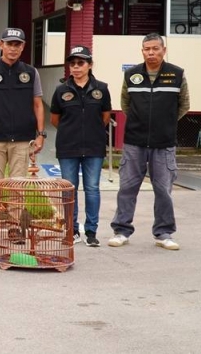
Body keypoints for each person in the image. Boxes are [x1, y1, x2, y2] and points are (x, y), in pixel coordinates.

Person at [109, 33, 189, 250]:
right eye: (147, 49)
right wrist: (141, 122)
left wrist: (165, 123)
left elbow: (184, 105)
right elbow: (125, 104)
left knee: (163, 190)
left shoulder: (177, 74)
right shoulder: (131, 74)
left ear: (164, 50)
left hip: (164, 143)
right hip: (134, 142)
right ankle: (121, 231)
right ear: (142, 51)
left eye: (155, 48)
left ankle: (164, 233)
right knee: (127, 188)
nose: (151, 53)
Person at [0, 28, 46, 244]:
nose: (13, 48)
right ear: (1, 45)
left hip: (23, 140)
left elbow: (38, 104)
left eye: (17, 44)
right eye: (9, 44)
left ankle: (15, 227)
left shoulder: (31, 73)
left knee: (17, 187)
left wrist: (40, 135)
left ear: (23, 47)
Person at [50, 46, 111, 248]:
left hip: (94, 147)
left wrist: (91, 131)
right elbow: (55, 119)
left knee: (92, 188)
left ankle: (91, 232)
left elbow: (105, 117)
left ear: (90, 65)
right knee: (69, 189)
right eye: (72, 63)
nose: (76, 67)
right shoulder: (61, 90)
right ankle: (72, 230)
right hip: (68, 147)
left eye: (81, 63)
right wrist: (71, 132)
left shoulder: (101, 89)